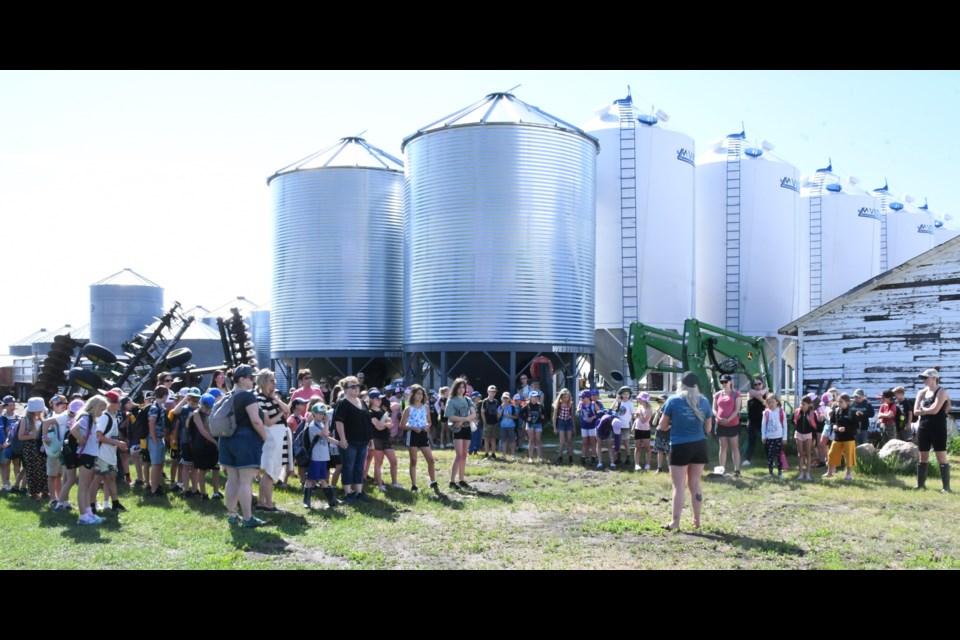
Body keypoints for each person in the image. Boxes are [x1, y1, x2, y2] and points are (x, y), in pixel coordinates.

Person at [659, 372, 713, 531]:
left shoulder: (673, 400)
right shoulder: (704, 401)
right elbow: (708, 429)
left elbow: (662, 426)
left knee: (678, 485)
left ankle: (675, 522)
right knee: (695, 483)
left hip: (679, 445)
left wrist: (672, 425)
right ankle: (697, 520)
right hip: (699, 445)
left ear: (680, 384)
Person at [219, 365, 268, 527]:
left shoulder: (227, 396)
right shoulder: (247, 397)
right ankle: (248, 518)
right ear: (241, 379)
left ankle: (232, 515)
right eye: (250, 377)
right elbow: (256, 420)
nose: (253, 380)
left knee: (232, 480)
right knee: (246, 482)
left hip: (226, 441)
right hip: (245, 443)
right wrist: (265, 437)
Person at [334, 375, 373, 503]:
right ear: (345, 389)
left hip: (363, 441)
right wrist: (343, 439)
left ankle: (359, 492)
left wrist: (370, 440)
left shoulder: (362, 402)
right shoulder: (342, 403)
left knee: (359, 467)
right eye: (352, 386)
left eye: (357, 386)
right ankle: (347, 493)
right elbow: (339, 422)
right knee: (348, 467)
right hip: (349, 442)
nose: (356, 388)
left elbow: (368, 421)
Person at [256, 369, 290, 511]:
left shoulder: (272, 398)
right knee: (270, 472)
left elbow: (287, 409)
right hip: (271, 438)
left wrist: (276, 398)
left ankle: (261, 502)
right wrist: (281, 414)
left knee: (270, 471)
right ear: (263, 382)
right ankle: (267, 503)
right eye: (271, 381)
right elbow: (268, 422)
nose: (274, 384)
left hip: (278, 436)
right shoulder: (259, 398)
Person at [914, 368, 951, 492]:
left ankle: (946, 487)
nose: (923, 380)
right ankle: (921, 485)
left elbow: (936, 410)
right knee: (922, 456)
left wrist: (924, 410)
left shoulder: (942, 391)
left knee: (941, 456)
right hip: (923, 427)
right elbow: (915, 411)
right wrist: (926, 410)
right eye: (923, 378)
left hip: (938, 428)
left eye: (926, 378)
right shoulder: (921, 392)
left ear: (934, 378)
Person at [72, 396, 108, 525]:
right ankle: (83, 516)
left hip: (90, 454)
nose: (102, 412)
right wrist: (81, 440)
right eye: (101, 409)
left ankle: (89, 513)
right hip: (85, 454)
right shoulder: (86, 417)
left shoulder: (91, 419)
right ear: (96, 407)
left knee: (87, 486)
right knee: (83, 486)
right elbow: (74, 429)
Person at [400, 385, 438, 493]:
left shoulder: (425, 407)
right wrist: (412, 427)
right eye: (418, 393)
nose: (420, 396)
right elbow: (401, 425)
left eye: (422, 394)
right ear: (413, 395)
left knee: (430, 460)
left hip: (423, 434)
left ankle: (433, 481)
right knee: (413, 460)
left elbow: (429, 421)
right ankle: (414, 485)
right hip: (412, 434)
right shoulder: (408, 408)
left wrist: (427, 426)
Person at [302, 403, 341, 509]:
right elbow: (324, 433)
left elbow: (327, 437)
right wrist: (327, 421)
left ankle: (332, 500)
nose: (322, 416)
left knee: (323, 480)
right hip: (316, 457)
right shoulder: (313, 426)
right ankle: (306, 501)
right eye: (320, 414)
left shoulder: (321, 424)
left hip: (323, 456)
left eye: (323, 414)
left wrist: (338, 442)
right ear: (313, 414)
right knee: (310, 480)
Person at [95, 391, 128, 512]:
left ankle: (115, 503)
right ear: (111, 403)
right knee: (97, 480)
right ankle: (92, 505)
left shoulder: (113, 416)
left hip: (110, 453)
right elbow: (100, 436)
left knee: (111, 478)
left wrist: (118, 443)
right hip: (102, 454)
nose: (120, 404)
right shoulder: (104, 417)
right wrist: (118, 443)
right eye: (118, 402)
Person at [367, 389, 402, 491]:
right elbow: (378, 426)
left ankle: (394, 482)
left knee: (394, 461)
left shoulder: (382, 411)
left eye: (380, 399)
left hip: (386, 439)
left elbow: (390, 424)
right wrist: (385, 424)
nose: (379, 400)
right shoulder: (370, 412)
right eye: (377, 399)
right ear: (372, 400)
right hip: (376, 439)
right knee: (378, 463)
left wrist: (385, 424)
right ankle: (379, 484)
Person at [445, 378, 476, 490]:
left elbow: (473, 414)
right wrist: (465, 419)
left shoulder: (467, 400)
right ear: (455, 388)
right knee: (458, 455)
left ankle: (461, 480)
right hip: (457, 430)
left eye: (463, 387)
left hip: (466, 429)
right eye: (459, 387)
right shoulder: (451, 400)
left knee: (464, 455)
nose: (461, 389)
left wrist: (462, 420)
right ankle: (452, 481)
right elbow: (450, 416)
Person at [54, 399, 84, 511]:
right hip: (69, 454)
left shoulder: (71, 422)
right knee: (71, 479)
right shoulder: (76, 424)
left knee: (66, 479)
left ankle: (64, 502)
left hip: (66, 452)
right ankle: (60, 504)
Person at [191, 394, 222, 499]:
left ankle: (216, 492)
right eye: (204, 407)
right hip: (202, 445)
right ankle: (203, 493)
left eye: (208, 408)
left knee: (216, 469)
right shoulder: (197, 413)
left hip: (214, 445)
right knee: (202, 470)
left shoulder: (215, 412)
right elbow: (203, 431)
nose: (205, 410)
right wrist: (215, 442)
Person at [712, 374, 742, 477]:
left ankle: (737, 470)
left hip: (733, 424)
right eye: (722, 382)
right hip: (721, 424)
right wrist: (718, 418)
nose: (724, 384)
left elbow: (737, 409)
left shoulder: (736, 394)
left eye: (725, 382)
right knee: (722, 446)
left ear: (730, 382)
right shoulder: (717, 395)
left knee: (734, 446)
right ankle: (721, 469)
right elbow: (714, 409)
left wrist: (729, 419)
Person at [19, 398, 48, 501]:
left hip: (41, 447)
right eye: (38, 409)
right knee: (32, 470)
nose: (40, 412)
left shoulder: (42, 419)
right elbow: (21, 436)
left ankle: (45, 491)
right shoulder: (25, 420)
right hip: (30, 448)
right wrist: (34, 436)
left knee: (43, 469)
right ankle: (34, 492)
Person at [825, 394, 856, 480]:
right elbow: (832, 422)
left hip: (849, 438)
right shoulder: (836, 411)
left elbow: (856, 426)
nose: (839, 403)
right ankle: (829, 472)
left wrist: (845, 429)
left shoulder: (852, 412)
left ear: (847, 402)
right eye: (838, 401)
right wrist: (834, 426)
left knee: (848, 457)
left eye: (841, 402)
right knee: (831, 454)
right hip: (837, 438)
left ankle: (848, 474)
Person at [146, 386, 170, 497]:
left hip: (159, 438)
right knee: (155, 465)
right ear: (164, 395)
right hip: (155, 439)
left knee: (159, 464)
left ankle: (157, 485)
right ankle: (153, 489)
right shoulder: (154, 407)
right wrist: (155, 439)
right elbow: (151, 422)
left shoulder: (159, 406)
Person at [761, 395, 788, 479]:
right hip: (769, 438)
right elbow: (763, 425)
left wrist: (784, 438)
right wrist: (763, 435)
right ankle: (770, 472)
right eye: (769, 402)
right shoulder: (766, 413)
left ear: (777, 402)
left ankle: (780, 473)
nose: (771, 404)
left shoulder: (781, 412)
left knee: (779, 455)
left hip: (779, 437)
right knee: (770, 456)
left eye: (773, 402)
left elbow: (784, 425)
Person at [742, 377, 767, 466]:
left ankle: (770, 459)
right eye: (755, 384)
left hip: (763, 421)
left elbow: (768, 400)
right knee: (751, 441)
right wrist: (765, 392)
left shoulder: (766, 393)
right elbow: (758, 394)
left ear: (762, 384)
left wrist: (765, 394)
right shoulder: (751, 392)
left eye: (759, 384)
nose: (757, 386)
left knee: (767, 441)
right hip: (752, 421)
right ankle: (747, 459)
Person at [792, 395, 817, 481]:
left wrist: (809, 421)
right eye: (801, 404)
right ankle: (801, 473)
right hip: (799, 433)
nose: (801, 406)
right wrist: (797, 419)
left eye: (804, 404)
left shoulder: (812, 413)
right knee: (800, 454)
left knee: (808, 454)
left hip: (808, 434)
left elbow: (815, 426)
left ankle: (808, 473)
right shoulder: (797, 412)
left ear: (809, 405)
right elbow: (793, 421)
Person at [521, 391, 547, 464]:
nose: (536, 398)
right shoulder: (527, 406)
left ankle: (540, 457)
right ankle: (530, 457)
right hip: (529, 425)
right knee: (531, 440)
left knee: (538, 440)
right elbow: (520, 414)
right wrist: (526, 419)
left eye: (537, 397)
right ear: (530, 397)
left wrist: (543, 417)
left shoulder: (540, 406)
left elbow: (545, 413)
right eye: (534, 397)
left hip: (538, 424)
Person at [611, 386, 634, 467]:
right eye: (624, 394)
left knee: (626, 443)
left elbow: (632, 414)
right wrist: (616, 400)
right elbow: (612, 409)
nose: (626, 395)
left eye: (628, 394)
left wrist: (632, 425)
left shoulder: (630, 404)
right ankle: (618, 458)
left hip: (626, 426)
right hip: (617, 425)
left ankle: (628, 458)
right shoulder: (619, 402)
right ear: (621, 394)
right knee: (617, 442)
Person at [0, 395, 19, 490]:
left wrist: (10, 442)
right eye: (10, 405)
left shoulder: (16, 418)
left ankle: (12, 484)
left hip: (10, 445)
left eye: (14, 404)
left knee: (12, 464)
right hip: (3, 445)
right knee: (5, 464)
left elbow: (11, 432)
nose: (13, 407)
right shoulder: (4, 418)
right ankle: (6, 482)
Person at [553, 389, 576, 465]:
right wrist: (555, 427)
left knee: (569, 441)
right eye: (565, 397)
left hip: (568, 422)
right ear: (561, 397)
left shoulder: (570, 404)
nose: (566, 399)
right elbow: (555, 416)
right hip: (561, 422)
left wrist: (574, 427)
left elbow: (572, 416)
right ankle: (559, 457)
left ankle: (571, 458)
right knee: (562, 441)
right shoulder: (558, 404)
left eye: (567, 397)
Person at [633, 392, 653, 471]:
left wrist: (640, 414)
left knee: (647, 448)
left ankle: (648, 464)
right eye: (638, 399)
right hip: (638, 429)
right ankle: (636, 464)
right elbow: (635, 417)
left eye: (640, 399)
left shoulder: (649, 409)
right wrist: (636, 414)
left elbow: (644, 420)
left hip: (645, 430)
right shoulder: (640, 406)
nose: (639, 400)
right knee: (637, 447)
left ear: (645, 400)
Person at [578, 390, 598, 467]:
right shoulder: (581, 404)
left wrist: (592, 417)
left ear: (588, 397)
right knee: (584, 443)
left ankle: (593, 457)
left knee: (593, 442)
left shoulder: (593, 404)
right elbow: (579, 410)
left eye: (583, 397)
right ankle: (583, 457)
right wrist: (579, 410)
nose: (581, 399)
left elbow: (599, 413)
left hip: (592, 426)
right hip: (584, 426)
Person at [480, 385, 501, 460]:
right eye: (491, 391)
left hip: (495, 422)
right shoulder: (485, 401)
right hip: (487, 423)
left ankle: (493, 454)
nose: (493, 393)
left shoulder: (496, 401)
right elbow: (482, 412)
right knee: (486, 439)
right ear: (488, 392)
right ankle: (486, 453)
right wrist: (485, 421)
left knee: (493, 439)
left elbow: (498, 412)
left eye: (494, 391)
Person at [651, 394, 670, 473]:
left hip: (668, 433)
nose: (660, 402)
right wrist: (657, 413)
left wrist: (666, 428)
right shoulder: (659, 410)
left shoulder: (669, 410)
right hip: (659, 433)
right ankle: (659, 468)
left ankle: (670, 468)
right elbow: (654, 423)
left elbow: (673, 423)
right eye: (659, 401)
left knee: (669, 452)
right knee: (660, 451)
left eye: (661, 400)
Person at [499, 393, 519, 462]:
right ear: (502, 399)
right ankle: (503, 455)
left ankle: (513, 455)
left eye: (506, 398)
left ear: (509, 399)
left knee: (512, 441)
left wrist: (510, 416)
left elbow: (517, 417)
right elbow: (498, 416)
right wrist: (502, 409)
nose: (505, 399)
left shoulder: (513, 407)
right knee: (503, 441)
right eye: (504, 398)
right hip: (503, 426)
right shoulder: (500, 407)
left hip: (511, 426)